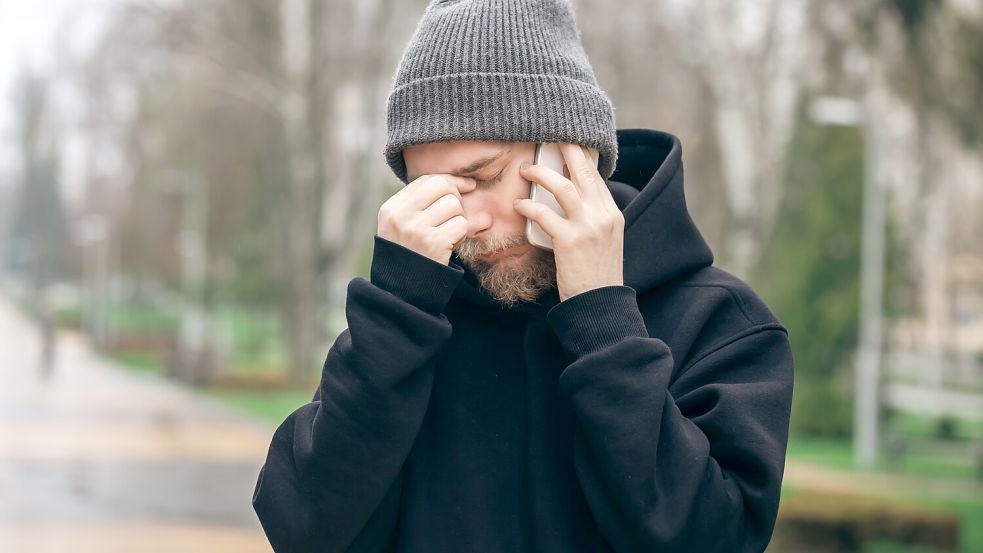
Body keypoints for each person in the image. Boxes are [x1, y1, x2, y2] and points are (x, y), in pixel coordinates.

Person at [252, 1, 794, 552]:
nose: (469, 221)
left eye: (482, 176)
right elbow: (305, 532)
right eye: (432, 191)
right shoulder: (409, 323)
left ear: (569, 155)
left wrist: (604, 323)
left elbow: (713, 540)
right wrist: (393, 318)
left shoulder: (719, 320)